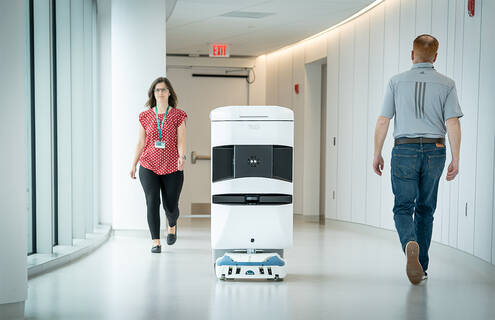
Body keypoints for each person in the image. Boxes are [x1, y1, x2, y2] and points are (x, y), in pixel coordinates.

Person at [373, 34, 463, 284]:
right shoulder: (447, 84)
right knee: (426, 209)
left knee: (403, 207)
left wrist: (376, 152)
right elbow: (452, 121)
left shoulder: (396, 81)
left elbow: (383, 120)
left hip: (404, 149)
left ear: (412, 55)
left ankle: (409, 243)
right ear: (435, 56)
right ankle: (421, 266)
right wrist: (456, 157)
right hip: (435, 150)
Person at [130, 77, 187, 253]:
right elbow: (141, 142)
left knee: (170, 205)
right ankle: (156, 241)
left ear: (169, 92)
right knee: (152, 201)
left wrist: (182, 157)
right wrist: (133, 164)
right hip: (149, 165)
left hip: (172, 166)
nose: (160, 93)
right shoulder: (145, 116)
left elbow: (181, 140)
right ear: (153, 94)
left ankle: (172, 224)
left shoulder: (178, 115)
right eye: (157, 90)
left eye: (163, 89)